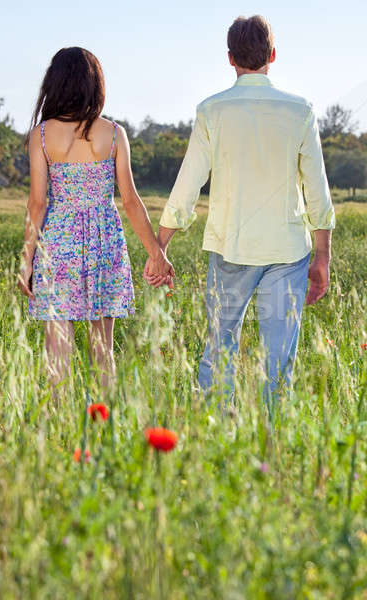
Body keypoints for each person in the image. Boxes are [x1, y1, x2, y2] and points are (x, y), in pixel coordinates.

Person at [145, 15, 335, 402]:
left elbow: (188, 183)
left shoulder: (211, 111)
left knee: (219, 349)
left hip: (230, 250)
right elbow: (317, 188)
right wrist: (323, 257)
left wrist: (160, 246)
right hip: (288, 252)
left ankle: (215, 435)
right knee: (279, 360)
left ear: (230, 58)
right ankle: (271, 445)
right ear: (273, 55)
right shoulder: (301, 110)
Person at [18, 47, 174, 392]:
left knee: (56, 349)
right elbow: (131, 202)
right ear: (95, 86)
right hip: (105, 242)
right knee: (103, 350)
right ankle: (105, 426)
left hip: (58, 245)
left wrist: (27, 259)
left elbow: (37, 203)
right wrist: (155, 253)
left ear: (54, 85)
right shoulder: (114, 134)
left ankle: (57, 429)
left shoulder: (42, 136)